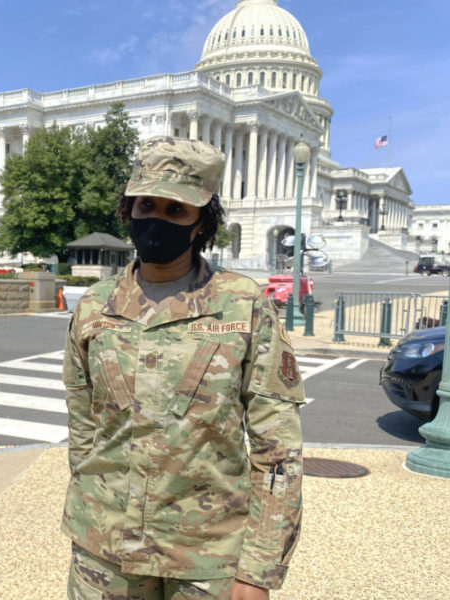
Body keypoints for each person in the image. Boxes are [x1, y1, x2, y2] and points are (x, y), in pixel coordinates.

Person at [61, 137, 305, 600]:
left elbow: (279, 452)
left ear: (201, 223)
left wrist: (259, 571)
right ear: (128, 209)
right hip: (104, 549)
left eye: (176, 211)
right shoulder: (94, 306)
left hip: (206, 553)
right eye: (146, 205)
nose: (156, 221)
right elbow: (83, 428)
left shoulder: (244, 304)